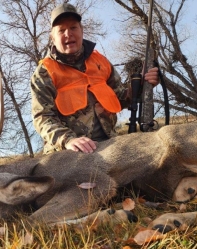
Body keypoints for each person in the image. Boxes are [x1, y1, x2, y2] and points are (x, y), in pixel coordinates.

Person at [31, 3, 159, 155]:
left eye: (73, 28)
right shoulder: (44, 73)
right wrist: (68, 140)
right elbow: (42, 118)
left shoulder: (100, 62)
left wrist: (142, 86)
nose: (68, 34)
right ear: (52, 37)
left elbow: (121, 97)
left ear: (82, 30)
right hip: (69, 152)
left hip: (110, 143)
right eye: (61, 30)